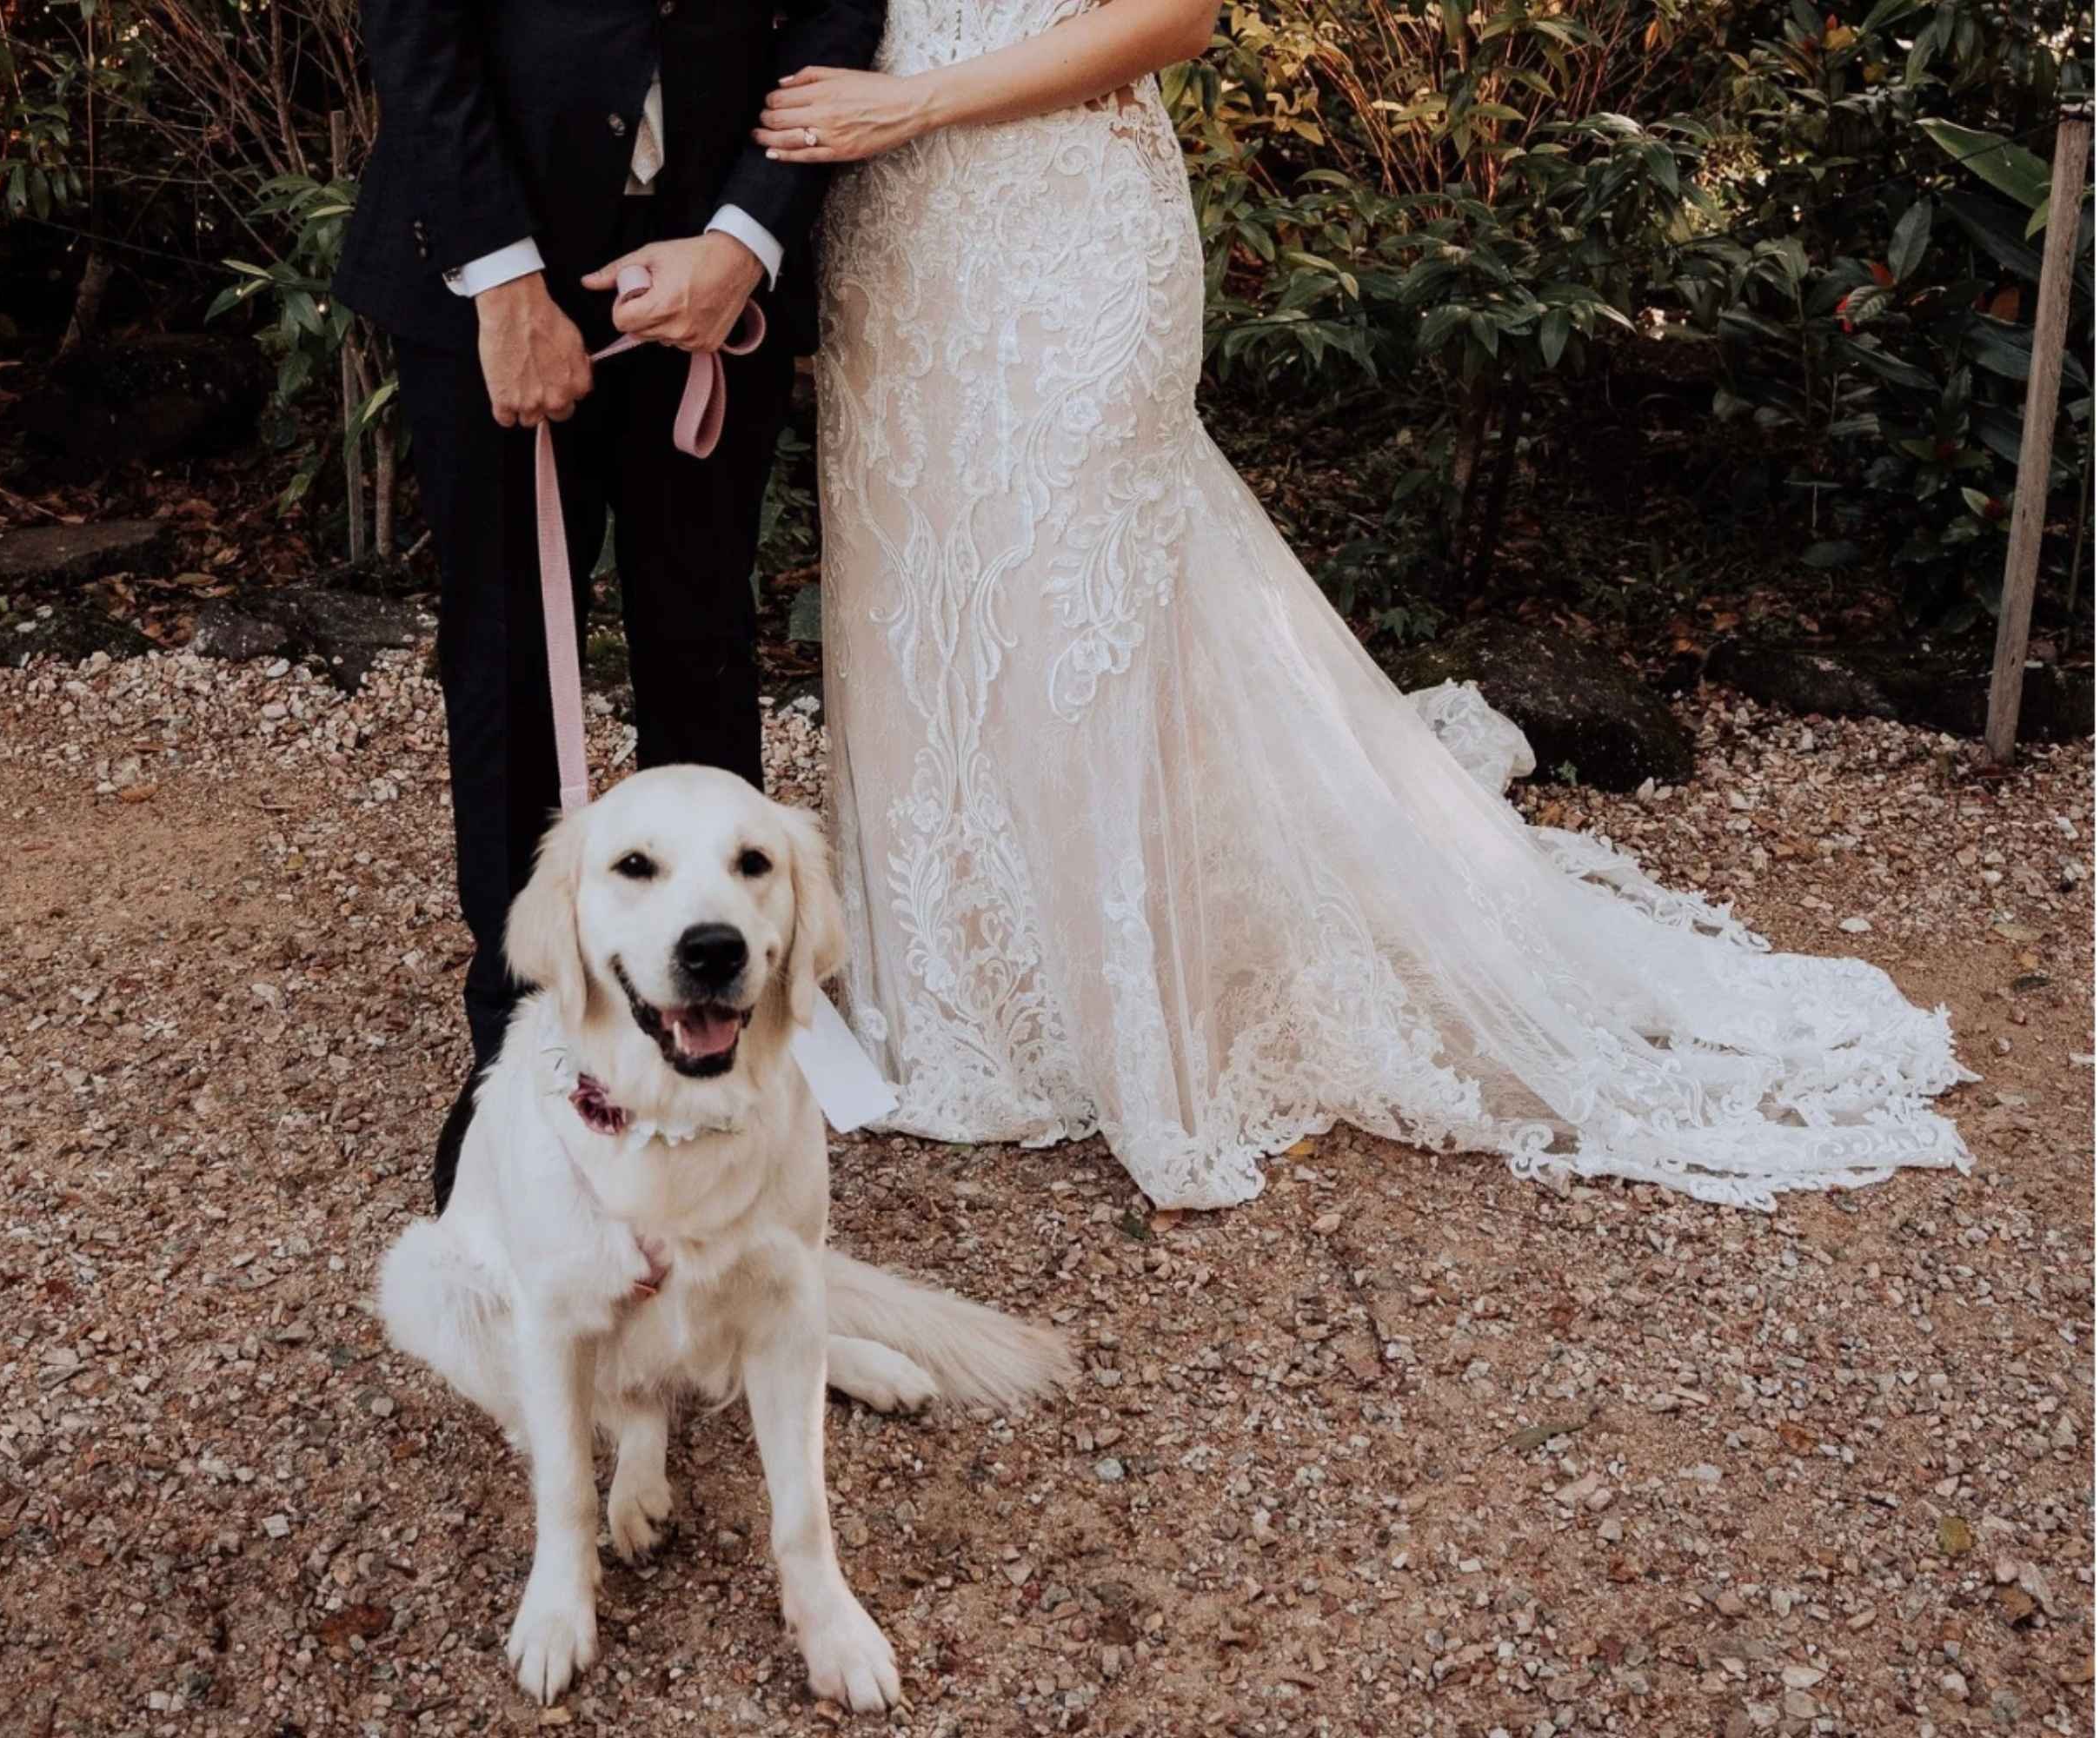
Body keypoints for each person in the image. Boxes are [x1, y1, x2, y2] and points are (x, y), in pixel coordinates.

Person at [752, 0, 1973, 1211]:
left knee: (1081, 605)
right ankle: (965, 998)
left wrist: (912, 99)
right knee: (931, 603)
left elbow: (1176, 20)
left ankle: (1125, 1005)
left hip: (1065, 229)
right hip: (898, 239)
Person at [334, 0, 886, 1208]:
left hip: (716, 268)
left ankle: (721, 1046)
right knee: (508, 662)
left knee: (703, 643)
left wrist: (744, 234)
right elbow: (421, 32)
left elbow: (838, 6)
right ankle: (526, 1039)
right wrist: (503, 282)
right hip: (489, 266)